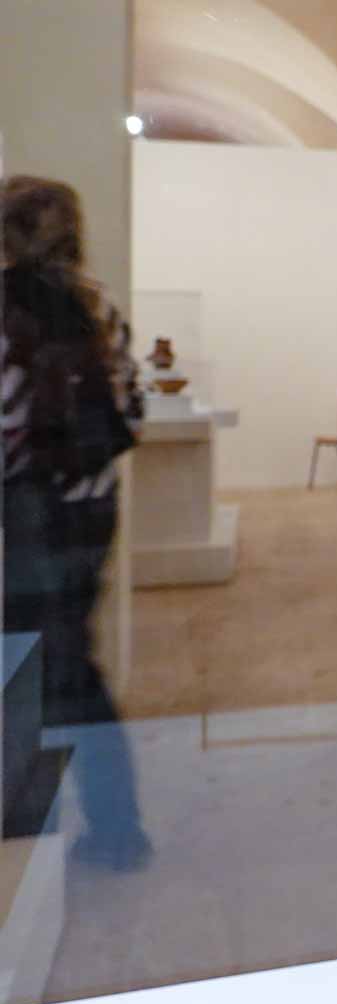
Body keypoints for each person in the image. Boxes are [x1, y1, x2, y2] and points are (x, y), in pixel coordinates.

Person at [2, 176, 151, 869]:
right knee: (70, 661)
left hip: (26, 510)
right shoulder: (97, 304)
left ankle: (35, 827)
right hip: (92, 506)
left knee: (27, 664)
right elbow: (131, 413)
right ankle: (113, 825)